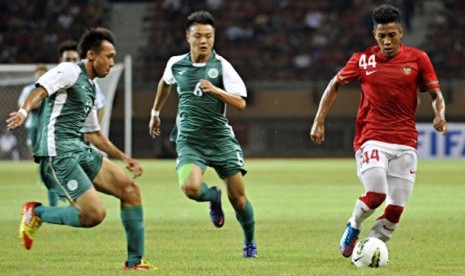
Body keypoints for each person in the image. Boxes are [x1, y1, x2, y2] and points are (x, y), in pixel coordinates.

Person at [6, 27, 156, 270]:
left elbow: (94, 134)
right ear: (91, 56)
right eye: (108, 56)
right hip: (58, 154)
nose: (111, 62)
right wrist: (24, 111)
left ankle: (134, 262)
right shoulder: (69, 70)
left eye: (113, 57)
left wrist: (124, 158)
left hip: (79, 149)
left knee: (130, 190)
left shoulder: (90, 88)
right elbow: (41, 90)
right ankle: (37, 212)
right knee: (94, 215)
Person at [310, 4, 447, 258]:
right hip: (372, 138)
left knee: (395, 209)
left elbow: (436, 94)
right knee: (375, 195)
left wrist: (439, 114)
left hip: (406, 141)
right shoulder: (363, 59)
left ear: (401, 33)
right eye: (381, 35)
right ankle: (353, 225)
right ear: (374, 34)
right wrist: (319, 120)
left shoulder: (418, 58)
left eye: (391, 35)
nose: (386, 41)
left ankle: (368, 251)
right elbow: (335, 83)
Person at [148, 10, 257, 258]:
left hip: (220, 140)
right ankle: (212, 197)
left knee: (239, 200)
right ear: (188, 38)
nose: (204, 41)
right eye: (198, 36)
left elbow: (240, 103)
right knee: (190, 188)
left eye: (208, 36)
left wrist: (216, 90)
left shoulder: (222, 66)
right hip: (189, 140)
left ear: (214, 37)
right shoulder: (176, 64)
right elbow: (165, 83)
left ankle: (249, 241)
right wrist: (155, 111)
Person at [18, 64, 59, 206]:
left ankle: (47, 175)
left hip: (47, 125)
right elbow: (24, 106)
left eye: (43, 74)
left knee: (47, 153)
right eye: (38, 74)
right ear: (35, 76)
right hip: (32, 124)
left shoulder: (51, 89)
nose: (40, 76)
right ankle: (44, 172)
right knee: (35, 151)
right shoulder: (28, 90)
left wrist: (36, 103)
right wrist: (36, 104)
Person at [58, 40, 106, 122]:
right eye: (67, 59)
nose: (71, 63)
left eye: (74, 59)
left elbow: (100, 107)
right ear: (61, 60)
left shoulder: (89, 82)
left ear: (79, 60)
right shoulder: (53, 80)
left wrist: (93, 131)